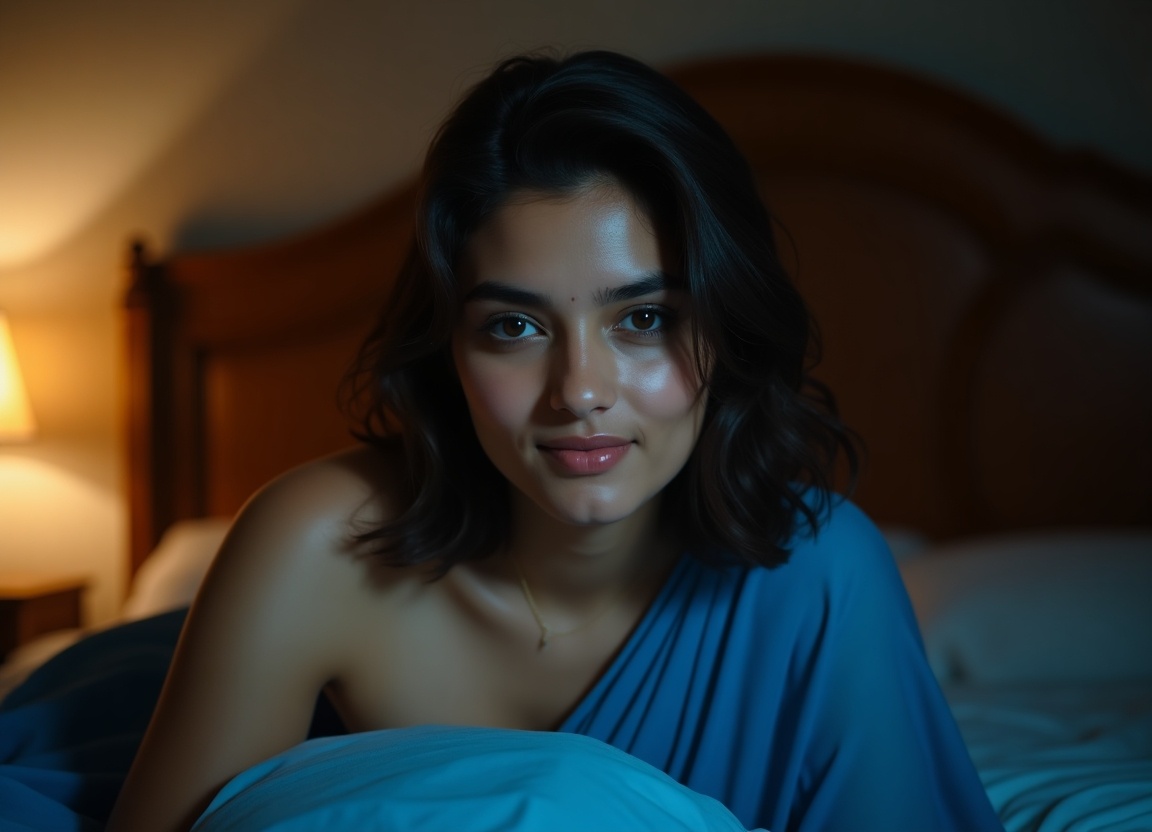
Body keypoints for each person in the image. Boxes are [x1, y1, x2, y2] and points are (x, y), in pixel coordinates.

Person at [108, 50, 1002, 832]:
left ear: (727, 332)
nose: (579, 392)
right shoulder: (319, 542)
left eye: (645, 318)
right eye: (514, 328)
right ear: (449, 348)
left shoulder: (822, 576)